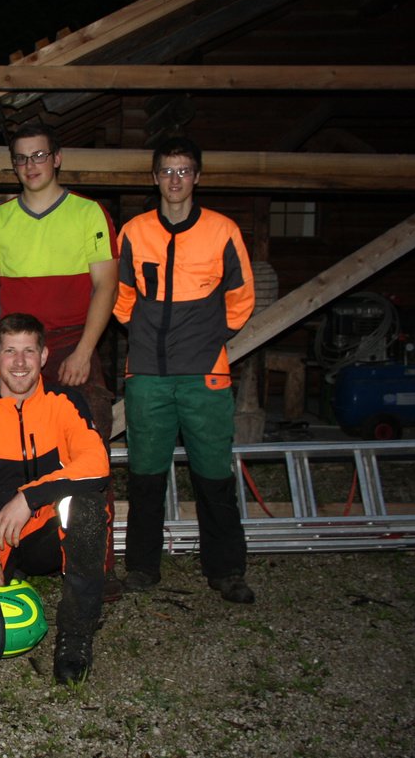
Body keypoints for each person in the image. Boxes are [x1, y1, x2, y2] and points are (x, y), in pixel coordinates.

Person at [0, 122, 121, 595]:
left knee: (90, 448)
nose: (31, 165)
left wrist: (84, 351)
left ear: (56, 158)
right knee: (10, 449)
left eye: (39, 155)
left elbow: (106, 286)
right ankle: (12, 551)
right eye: (21, 158)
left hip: (73, 342)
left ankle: (96, 566)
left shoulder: (88, 213)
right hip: (18, 347)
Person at [114, 136, 256, 604]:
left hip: (205, 374)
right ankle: (142, 566)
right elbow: (120, 297)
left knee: (213, 474)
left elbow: (241, 298)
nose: (175, 179)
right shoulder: (134, 232)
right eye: (167, 171)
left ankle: (227, 570)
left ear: (197, 177)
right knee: (145, 474)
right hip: (147, 375)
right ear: (154, 178)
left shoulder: (222, 231)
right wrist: (143, 333)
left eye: (184, 171)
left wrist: (209, 338)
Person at [0, 313, 109, 683]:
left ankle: (75, 635)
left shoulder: (66, 402)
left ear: (44, 356)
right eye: (10, 351)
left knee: (88, 508)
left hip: (46, 534)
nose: (19, 362)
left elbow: (97, 465)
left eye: (29, 352)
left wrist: (29, 497)